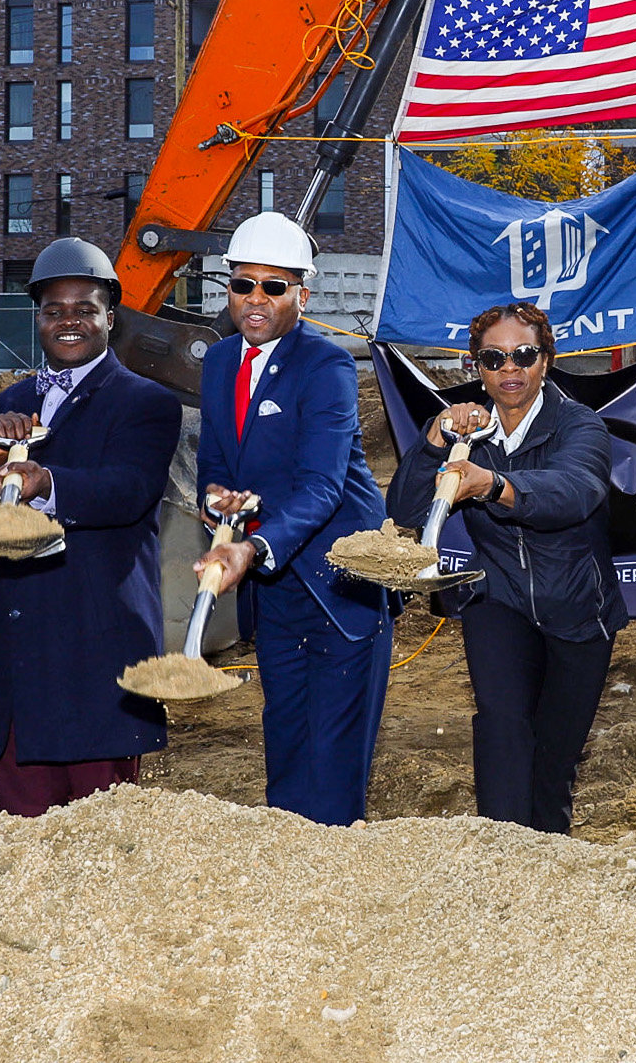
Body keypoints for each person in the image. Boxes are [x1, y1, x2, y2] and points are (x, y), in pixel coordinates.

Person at [0, 238, 182, 817]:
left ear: (111, 318)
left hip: (95, 653)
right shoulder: (13, 398)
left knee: (96, 844)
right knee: (24, 836)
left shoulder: (145, 402)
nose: (69, 320)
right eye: (54, 310)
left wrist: (45, 482)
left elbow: (128, 491)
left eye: (85, 308)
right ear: (39, 319)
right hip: (19, 658)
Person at [385, 303, 626, 833]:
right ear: (476, 366)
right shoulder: (466, 432)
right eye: (494, 358)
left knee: (553, 764)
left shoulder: (579, 424)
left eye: (524, 355)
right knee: (502, 735)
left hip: (579, 610)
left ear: (547, 360)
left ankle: (548, 866)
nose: (509, 369)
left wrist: (495, 485)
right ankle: (500, 858)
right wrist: (432, 443)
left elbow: (575, 491)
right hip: (498, 600)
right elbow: (402, 512)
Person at [195, 211, 392, 826]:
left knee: (333, 758)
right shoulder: (220, 361)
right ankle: (286, 875)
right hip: (276, 587)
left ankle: (334, 884)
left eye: (273, 286)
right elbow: (213, 464)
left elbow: (322, 486)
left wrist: (252, 549)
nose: (255, 299)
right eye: (242, 283)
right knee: (285, 738)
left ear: (302, 294)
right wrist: (217, 505)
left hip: (338, 583)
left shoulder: (326, 365)